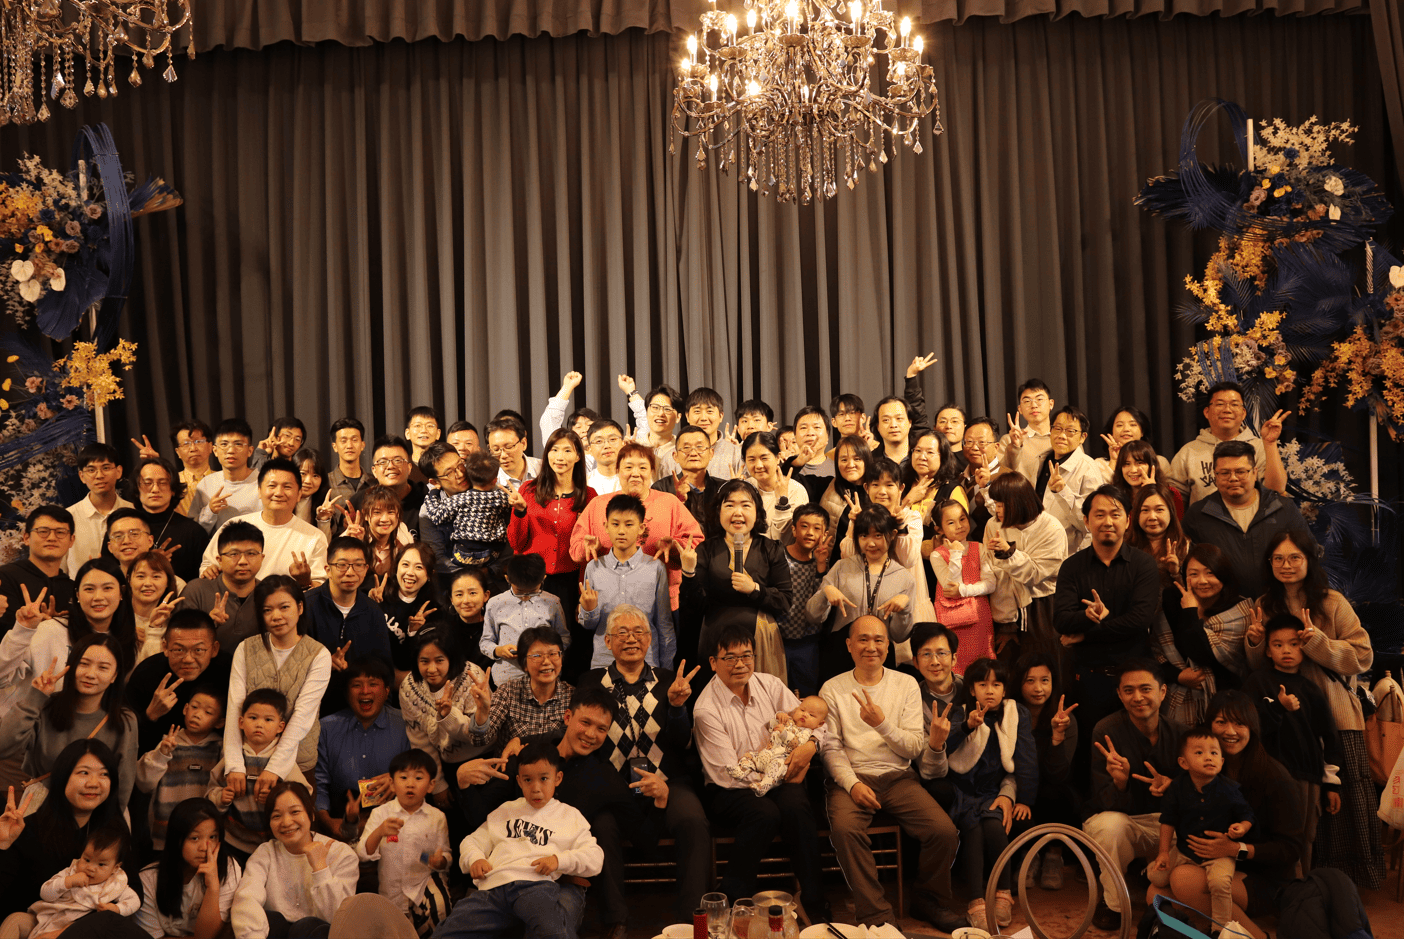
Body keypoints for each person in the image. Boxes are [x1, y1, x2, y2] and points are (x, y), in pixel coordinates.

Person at [1249, 529, 1380, 888]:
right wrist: (1254, 642)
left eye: (1295, 557)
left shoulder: (1332, 602)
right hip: (1283, 720)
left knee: (1340, 805)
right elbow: (1257, 666)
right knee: (1294, 808)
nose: (1286, 565)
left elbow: (1363, 657)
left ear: (1309, 560)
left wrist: (1319, 644)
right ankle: (1296, 884)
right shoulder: (1263, 604)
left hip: (1334, 714)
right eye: (1278, 558)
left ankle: (1342, 885)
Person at [819, 614, 964, 930]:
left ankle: (928, 900)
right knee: (845, 830)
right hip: (852, 777)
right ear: (849, 645)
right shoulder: (833, 688)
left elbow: (913, 747)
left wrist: (881, 724)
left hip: (898, 777)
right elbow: (830, 748)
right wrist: (852, 784)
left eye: (878, 640)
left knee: (943, 832)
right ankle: (876, 917)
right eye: (863, 639)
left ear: (888, 646)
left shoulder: (905, 684)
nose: (871, 647)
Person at [575, 607, 710, 933]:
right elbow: (584, 741)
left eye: (639, 632)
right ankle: (616, 922)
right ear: (608, 641)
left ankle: (693, 921)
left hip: (667, 781)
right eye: (622, 632)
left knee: (693, 821)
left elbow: (682, 744)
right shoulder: (592, 683)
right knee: (601, 827)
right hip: (613, 787)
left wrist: (676, 708)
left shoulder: (668, 681)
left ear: (650, 640)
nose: (631, 639)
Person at [693, 623, 830, 923]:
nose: (740, 664)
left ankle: (813, 900)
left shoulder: (770, 684)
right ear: (714, 662)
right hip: (730, 788)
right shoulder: (706, 709)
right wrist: (780, 775)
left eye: (746, 655)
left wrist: (810, 748)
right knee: (764, 813)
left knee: (796, 807)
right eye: (730, 657)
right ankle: (733, 898)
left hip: (777, 774)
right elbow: (728, 773)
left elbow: (816, 722)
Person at [1149, 691, 1305, 930]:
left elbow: (1291, 849)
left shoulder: (1275, 777)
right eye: (1221, 722)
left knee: (1184, 881)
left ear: (1252, 728)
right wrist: (1175, 788)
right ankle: (1221, 930)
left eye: (1240, 723)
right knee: (1154, 895)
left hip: (1264, 877)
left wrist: (1235, 849)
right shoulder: (1205, 768)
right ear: (1209, 725)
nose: (1230, 731)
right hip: (1214, 864)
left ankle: (1254, 936)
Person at [438, 740, 602, 939]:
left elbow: (595, 857)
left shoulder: (569, 816)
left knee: (553, 932)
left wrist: (558, 861)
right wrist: (475, 859)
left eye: (544, 779)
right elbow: (472, 841)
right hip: (492, 889)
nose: (536, 788)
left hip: (534, 886)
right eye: (528, 780)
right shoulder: (506, 809)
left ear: (558, 778)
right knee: (446, 932)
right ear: (519, 781)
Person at [1052, 485, 1161, 773]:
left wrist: (1086, 633)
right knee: (1091, 758)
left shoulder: (1144, 565)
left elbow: (1140, 621)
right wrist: (1087, 616)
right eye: (1099, 515)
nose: (1108, 521)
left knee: (1140, 757)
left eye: (1115, 514)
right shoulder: (1072, 567)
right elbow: (1061, 620)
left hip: (1135, 680)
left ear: (1128, 520)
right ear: (1086, 521)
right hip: (1089, 680)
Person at [1080, 659, 1185, 932]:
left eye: (1145, 689)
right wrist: (1121, 783)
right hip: (1126, 823)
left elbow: (1198, 797)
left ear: (1163, 691)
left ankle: (1154, 883)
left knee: (1198, 831)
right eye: (1128, 690)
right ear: (1119, 694)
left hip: (1166, 826)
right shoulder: (1106, 730)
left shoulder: (1181, 734)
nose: (1137, 697)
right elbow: (1102, 801)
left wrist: (1173, 786)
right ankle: (1113, 903)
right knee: (1108, 826)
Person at [1241, 614, 1343, 874]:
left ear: (1304, 648)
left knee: (1305, 837)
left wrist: (1331, 783)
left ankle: (1302, 888)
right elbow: (1249, 727)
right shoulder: (1257, 682)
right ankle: (1272, 891)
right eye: (1278, 644)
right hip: (1267, 774)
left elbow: (1329, 736)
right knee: (1270, 834)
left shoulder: (1311, 689)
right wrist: (1278, 707)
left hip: (1306, 775)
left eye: (1294, 644)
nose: (1286, 650)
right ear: (1267, 650)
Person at [940, 657, 1037, 931]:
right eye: (983, 685)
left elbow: (1026, 757)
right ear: (972, 689)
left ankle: (1003, 893)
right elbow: (944, 748)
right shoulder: (960, 712)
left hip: (994, 791)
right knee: (973, 830)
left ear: (1005, 689)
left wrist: (1024, 799)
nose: (990, 691)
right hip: (963, 790)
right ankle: (975, 900)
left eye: (996, 685)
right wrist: (967, 726)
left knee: (995, 827)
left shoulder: (1016, 713)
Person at [0, 633, 140, 808]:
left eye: (103, 668)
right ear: (70, 666)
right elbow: (3, 746)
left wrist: (112, 820)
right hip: (43, 806)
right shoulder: (46, 707)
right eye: (84, 664)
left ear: (114, 676)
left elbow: (124, 782)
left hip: (96, 810)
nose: (91, 674)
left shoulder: (124, 720)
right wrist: (34, 698)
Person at [222, 576, 331, 801]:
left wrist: (276, 768)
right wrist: (234, 764)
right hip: (248, 759)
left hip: (298, 763)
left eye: (284, 607)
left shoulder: (319, 654)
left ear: (300, 607)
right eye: (267, 610)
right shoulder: (246, 649)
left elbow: (303, 716)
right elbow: (235, 708)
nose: (276, 616)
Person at [0, 740, 128, 922]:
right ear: (62, 777)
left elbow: (133, 892)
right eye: (84, 773)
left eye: (104, 774)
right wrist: (2, 845)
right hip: (33, 925)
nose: (94, 783)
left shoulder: (115, 830)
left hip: (92, 928)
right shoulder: (29, 828)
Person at [569, 442, 704, 612]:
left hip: (661, 601)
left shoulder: (669, 503)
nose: (635, 473)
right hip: (607, 602)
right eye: (628, 467)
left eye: (642, 467)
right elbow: (575, 550)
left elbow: (696, 542)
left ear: (652, 472)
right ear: (617, 471)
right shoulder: (598, 505)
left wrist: (675, 547)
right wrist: (587, 548)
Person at [678, 479, 792, 680]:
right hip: (715, 639)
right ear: (718, 511)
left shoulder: (771, 549)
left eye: (745, 505)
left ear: (757, 512)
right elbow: (694, 607)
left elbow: (785, 601)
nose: (737, 512)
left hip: (760, 641)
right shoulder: (706, 550)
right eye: (729, 505)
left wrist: (755, 589)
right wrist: (688, 573)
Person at [507, 429, 595, 676]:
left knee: (571, 647)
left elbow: (588, 550)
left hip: (571, 582)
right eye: (554, 450)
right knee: (535, 643)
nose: (560, 456)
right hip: (534, 582)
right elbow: (516, 541)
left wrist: (583, 588)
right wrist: (520, 512)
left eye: (567, 450)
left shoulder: (588, 495)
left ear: (578, 456)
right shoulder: (528, 490)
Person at [0, 556, 138, 712]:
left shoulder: (126, 640)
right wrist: (22, 630)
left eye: (107, 588)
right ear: (77, 595)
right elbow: (1, 677)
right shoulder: (49, 631)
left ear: (121, 593)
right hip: (35, 722)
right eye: (89, 589)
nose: (98, 597)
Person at [1149, 728, 1255, 927]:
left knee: (1220, 884)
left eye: (1214, 753)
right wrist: (1163, 852)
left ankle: (1221, 929)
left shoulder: (1229, 789)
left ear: (1221, 761)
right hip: (1184, 849)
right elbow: (1168, 820)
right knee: (1156, 876)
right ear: (1183, 763)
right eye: (1199, 752)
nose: (1208, 757)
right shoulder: (1177, 787)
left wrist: (1242, 827)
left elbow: (1247, 815)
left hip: (1219, 853)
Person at [230, 781, 359, 939]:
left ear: (311, 814)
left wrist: (320, 867)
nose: (286, 822)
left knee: (309, 926)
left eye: (295, 812)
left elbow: (337, 918)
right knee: (272, 919)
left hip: (317, 934)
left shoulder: (341, 854)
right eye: (276, 816)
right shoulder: (265, 853)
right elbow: (246, 898)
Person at [1152, 544, 1252, 727]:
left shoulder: (1239, 609)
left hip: (1227, 700)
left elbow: (1203, 655)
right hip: (1177, 702)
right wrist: (1178, 675)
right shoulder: (1172, 601)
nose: (1202, 581)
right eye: (1193, 574)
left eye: (1210, 573)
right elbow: (1156, 653)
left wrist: (1190, 612)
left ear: (1223, 574)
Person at [355, 749, 452, 935]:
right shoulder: (380, 814)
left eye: (418, 778)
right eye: (404, 777)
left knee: (439, 908)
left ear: (431, 785)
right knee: (397, 932)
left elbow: (446, 856)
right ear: (392, 783)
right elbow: (362, 853)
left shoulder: (437, 817)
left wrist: (440, 861)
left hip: (423, 884)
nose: (410, 784)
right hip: (392, 891)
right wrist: (379, 832)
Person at [807, 506, 916, 670]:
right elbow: (812, 616)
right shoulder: (842, 567)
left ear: (893, 534)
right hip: (841, 652)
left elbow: (900, 636)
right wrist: (824, 592)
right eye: (864, 536)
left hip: (880, 656)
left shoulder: (905, 578)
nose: (871, 543)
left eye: (878, 535)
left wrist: (904, 610)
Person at [208, 689, 312, 859]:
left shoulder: (283, 760)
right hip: (234, 839)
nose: (259, 724)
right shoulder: (233, 757)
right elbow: (211, 789)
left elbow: (304, 793)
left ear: (281, 727)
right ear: (241, 722)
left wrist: (276, 797)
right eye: (253, 718)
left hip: (275, 843)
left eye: (268, 719)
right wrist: (221, 797)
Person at [313, 656, 410, 838]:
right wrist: (327, 821)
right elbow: (319, 783)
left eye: (373, 684)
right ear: (346, 693)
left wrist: (400, 779)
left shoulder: (406, 724)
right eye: (356, 685)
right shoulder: (326, 728)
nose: (365, 691)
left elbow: (423, 772)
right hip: (340, 822)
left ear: (387, 691)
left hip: (396, 824)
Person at [200, 459, 329, 590]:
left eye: (287, 487)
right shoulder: (234, 526)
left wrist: (305, 582)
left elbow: (321, 587)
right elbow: (207, 565)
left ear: (299, 494)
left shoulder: (315, 537)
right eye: (272, 486)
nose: (278, 493)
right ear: (259, 491)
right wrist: (210, 570)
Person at [578, 495, 674, 670]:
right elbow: (589, 626)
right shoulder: (594, 567)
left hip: (646, 663)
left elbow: (664, 624)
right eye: (615, 524)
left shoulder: (655, 568)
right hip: (604, 663)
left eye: (629, 524)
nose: (621, 531)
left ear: (641, 528)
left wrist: (666, 672)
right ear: (606, 526)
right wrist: (589, 610)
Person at [399, 631, 490, 810]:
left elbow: (478, 735)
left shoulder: (472, 676)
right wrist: (438, 784)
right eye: (424, 661)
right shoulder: (409, 688)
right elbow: (420, 742)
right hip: (446, 765)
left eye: (439, 660)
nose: (432, 669)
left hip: (485, 755)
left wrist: (449, 716)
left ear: (451, 657)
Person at [1011, 652, 1079, 891]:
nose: (1038, 688)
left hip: (1052, 788)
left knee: (1056, 793)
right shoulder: (1009, 713)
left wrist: (1057, 736)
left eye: (1045, 680)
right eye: (1030, 680)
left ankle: (1053, 856)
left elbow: (1058, 775)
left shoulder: (1065, 718)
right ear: (1019, 683)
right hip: (1018, 786)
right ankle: (1030, 856)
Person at [982, 472, 1067, 660]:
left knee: (1043, 665)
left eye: (1001, 505)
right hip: (1005, 610)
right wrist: (1006, 623)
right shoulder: (993, 525)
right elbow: (995, 573)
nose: (997, 511)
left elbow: (1034, 574)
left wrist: (1009, 553)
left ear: (1016, 504)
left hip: (1042, 607)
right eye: (996, 504)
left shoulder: (1051, 528)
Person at [125, 609, 233, 755]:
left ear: (214, 649)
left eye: (198, 650)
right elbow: (124, 739)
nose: (188, 659)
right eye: (179, 650)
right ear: (165, 647)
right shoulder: (147, 672)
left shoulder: (228, 671)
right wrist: (150, 715)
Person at [135, 798, 243, 939]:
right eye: (195, 838)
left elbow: (207, 937)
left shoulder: (228, 868)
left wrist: (213, 887)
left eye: (213, 837)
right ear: (177, 839)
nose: (205, 847)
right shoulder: (148, 879)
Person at [136, 687, 225, 851]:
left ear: (220, 722)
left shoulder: (220, 749)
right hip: (165, 835)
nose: (197, 714)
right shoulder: (168, 743)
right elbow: (143, 782)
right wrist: (162, 754)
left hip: (204, 838)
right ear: (185, 709)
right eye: (194, 707)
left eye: (208, 712)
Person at [1167, 382, 1286, 504]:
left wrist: (1270, 443)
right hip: (1203, 516)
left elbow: (1277, 490)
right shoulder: (1188, 452)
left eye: (1234, 404)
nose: (1227, 410)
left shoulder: (1260, 447)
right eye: (1220, 404)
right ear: (1207, 412)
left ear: (1243, 413)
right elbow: (1174, 501)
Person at [465, 627, 574, 753]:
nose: (546, 661)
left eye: (553, 654)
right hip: (510, 764)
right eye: (537, 655)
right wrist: (482, 713)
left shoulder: (572, 696)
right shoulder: (508, 692)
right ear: (524, 664)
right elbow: (478, 740)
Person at [928, 499, 996, 672]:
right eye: (951, 522)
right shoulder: (937, 555)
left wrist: (963, 591)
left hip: (980, 617)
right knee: (955, 667)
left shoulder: (979, 547)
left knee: (983, 668)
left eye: (962, 519)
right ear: (939, 529)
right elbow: (951, 585)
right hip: (953, 621)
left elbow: (990, 584)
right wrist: (956, 553)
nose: (959, 526)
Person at [481, 555, 569, 685]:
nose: (525, 596)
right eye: (519, 591)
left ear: (543, 579)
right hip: (507, 675)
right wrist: (498, 650)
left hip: (545, 674)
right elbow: (485, 642)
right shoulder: (495, 603)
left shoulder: (552, 602)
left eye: (533, 591)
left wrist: (548, 651)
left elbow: (564, 637)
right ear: (507, 579)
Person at [1026, 406, 1103, 553]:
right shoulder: (1040, 460)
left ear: (1083, 437)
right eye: (1058, 428)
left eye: (1070, 431)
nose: (1062, 435)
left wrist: (1063, 492)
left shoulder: (1088, 468)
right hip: (1036, 548)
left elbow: (1092, 522)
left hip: (1070, 552)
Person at [420, 450, 511, 568]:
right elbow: (437, 559)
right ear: (435, 482)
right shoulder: (500, 496)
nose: (460, 474)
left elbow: (511, 541)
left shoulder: (463, 498)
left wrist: (433, 495)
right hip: (488, 557)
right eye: (449, 473)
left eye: (460, 465)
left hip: (466, 557)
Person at [180, 521, 264, 648]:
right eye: (234, 554)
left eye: (251, 553)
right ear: (219, 560)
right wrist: (208, 624)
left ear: (262, 558)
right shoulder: (196, 590)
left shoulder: (269, 593)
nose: (243, 561)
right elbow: (178, 639)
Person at [777, 504, 833, 696]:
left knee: (806, 694)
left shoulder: (823, 562)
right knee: (776, 693)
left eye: (817, 528)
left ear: (825, 534)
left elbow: (821, 603)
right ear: (794, 529)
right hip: (777, 640)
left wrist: (820, 564)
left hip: (807, 643)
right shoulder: (778, 556)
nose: (810, 533)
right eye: (804, 526)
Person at [725, 696, 827, 795]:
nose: (805, 715)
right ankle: (741, 771)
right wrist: (778, 717)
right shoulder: (789, 721)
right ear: (796, 709)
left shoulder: (807, 733)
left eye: (811, 715)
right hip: (766, 753)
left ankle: (763, 785)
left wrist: (784, 733)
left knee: (775, 771)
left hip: (780, 760)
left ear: (820, 724)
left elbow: (797, 744)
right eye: (802, 710)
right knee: (750, 756)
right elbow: (770, 728)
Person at [131, 456, 211, 582]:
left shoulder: (193, 532)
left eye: (162, 482)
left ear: (173, 489)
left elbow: (202, 581)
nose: (155, 489)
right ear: (137, 489)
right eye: (147, 483)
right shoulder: (123, 526)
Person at [0, 506, 77, 635]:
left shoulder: (74, 588)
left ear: (71, 540)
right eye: (43, 531)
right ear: (26, 538)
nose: (52, 538)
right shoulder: (5, 577)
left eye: (60, 532)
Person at [377, 542, 441, 688]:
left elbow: (407, 663)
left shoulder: (433, 612)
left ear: (430, 574)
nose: (410, 572)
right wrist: (368, 603)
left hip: (396, 676)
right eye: (405, 565)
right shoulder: (378, 588)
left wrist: (413, 632)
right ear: (396, 567)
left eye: (419, 567)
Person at [650, 425, 724, 539]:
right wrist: (677, 501)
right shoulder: (660, 489)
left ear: (711, 453)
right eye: (686, 448)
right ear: (675, 456)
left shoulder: (723, 488)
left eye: (700, 447)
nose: (693, 453)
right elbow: (656, 529)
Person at [190, 421, 260, 534]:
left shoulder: (264, 482)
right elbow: (193, 532)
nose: (231, 451)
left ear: (250, 451)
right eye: (224, 444)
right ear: (215, 450)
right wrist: (210, 511)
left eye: (238, 444)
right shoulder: (206, 484)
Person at [741, 432, 808, 540]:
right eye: (751, 459)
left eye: (764, 458)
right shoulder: (745, 488)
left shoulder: (796, 491)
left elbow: (788, 538)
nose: (758, 465)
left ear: (777, 457)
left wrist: (782, 503)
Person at [350, 436, 427, 529]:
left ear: (409, 467)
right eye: (383, 462)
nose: (390, 466)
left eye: (397, 460)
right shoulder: (360, 501)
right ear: (374, 471)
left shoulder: (427, 501)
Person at [343, 484, 414, 581]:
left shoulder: (402, 534)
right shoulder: (352, 535)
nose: (385, 519)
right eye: (377, 512)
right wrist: (354, 545)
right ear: (366, 515)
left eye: (391, 512)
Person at [1129, 483, 1190, 589]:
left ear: (1171, 512)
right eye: (1145, 510)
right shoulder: (1125, 546)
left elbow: (1193, 592)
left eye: (1159, 510)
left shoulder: (1186, 546)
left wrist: (1176, 573)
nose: (1152, 517)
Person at [130, 551, 184, 664]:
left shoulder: (175, 626)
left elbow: (154, 669)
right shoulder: (116, 616)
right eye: (140, 576)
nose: (148, 583)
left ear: (168, 582)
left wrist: (155, 629)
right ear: (129, 579)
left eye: (156, 576)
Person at [1095, 406, 1171, 485]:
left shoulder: (1160, 462)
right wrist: (1114, 462)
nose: (1126, 429)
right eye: (1120, 425)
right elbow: (1100, 491)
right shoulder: (1099, 464)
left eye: (1133, 425)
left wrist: (1152, 488)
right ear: (1111, 432)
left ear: (1142, 432)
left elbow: (1170, 490)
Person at [1110, 440, 1183, 517]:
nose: (1133, 470)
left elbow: (1174, 524)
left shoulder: (1171, 495)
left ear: (1152, 466)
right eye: (1127, 464)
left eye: (1139, 463)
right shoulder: (1113, 497)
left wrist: (1152, 492)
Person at [1000, 379, 1055, 479]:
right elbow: (1001, 476)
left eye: (1039, 399)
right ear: (1020, 409)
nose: (1033, 405)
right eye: (1027, 401)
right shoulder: (1008, 441)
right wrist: (1015, 447)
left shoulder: (1063, 439)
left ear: (1051, 404)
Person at [444, 568, 494, 675]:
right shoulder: (443, 629)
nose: (466, 600)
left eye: (472, 593)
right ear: (451, 599)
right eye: (459, 594)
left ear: (486, 596)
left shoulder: (496, 629)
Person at [323, 418, 369, 525]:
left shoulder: (374, 482)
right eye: (343, 441)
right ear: (335, 447)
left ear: (362, 445)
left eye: (354, 440)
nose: (349, 446)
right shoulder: (325, 482)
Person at [168, 421, 217, 518]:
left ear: (210, 446)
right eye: (186, 444)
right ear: (178, 452)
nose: (193, 448)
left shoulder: (224, 479)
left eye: (198, 442)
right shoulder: (170, 483)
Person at [485, 416, 541, 491]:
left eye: (509, 447)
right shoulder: (487, 482)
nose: (503, 455)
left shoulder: (543, 469)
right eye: (496, 449)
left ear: (523, 443)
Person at [584, 420, 626, 496]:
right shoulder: (584, 483)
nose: (607, 446)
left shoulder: (634, 478)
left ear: (623, 443)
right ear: (589, 449)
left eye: (612, 439)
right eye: (599, 441)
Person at [291, 448, 329, 525]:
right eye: (303, 473)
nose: (308, 481)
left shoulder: (325, 504)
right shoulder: (281, 500)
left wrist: (323, 520)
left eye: (315, 476)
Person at [405, 407, 442, 476]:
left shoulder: (445, 465)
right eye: (417, 426)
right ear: (407, 434)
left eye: (430, 426)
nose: (424, 430)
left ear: (438, 434)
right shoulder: (403, 467)